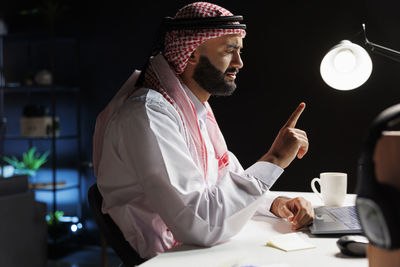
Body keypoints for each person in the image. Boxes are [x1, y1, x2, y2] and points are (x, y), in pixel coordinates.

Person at [93, 2, 314, 259]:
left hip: (198, 254)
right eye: (229, 51)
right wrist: (275, 159)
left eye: (239, 51)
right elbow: (199, 225)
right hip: (169, 259)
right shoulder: (147, 114)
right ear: (192, 53)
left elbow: (223, 182)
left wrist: (275, 204)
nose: (239, 62)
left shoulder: (193, 108)